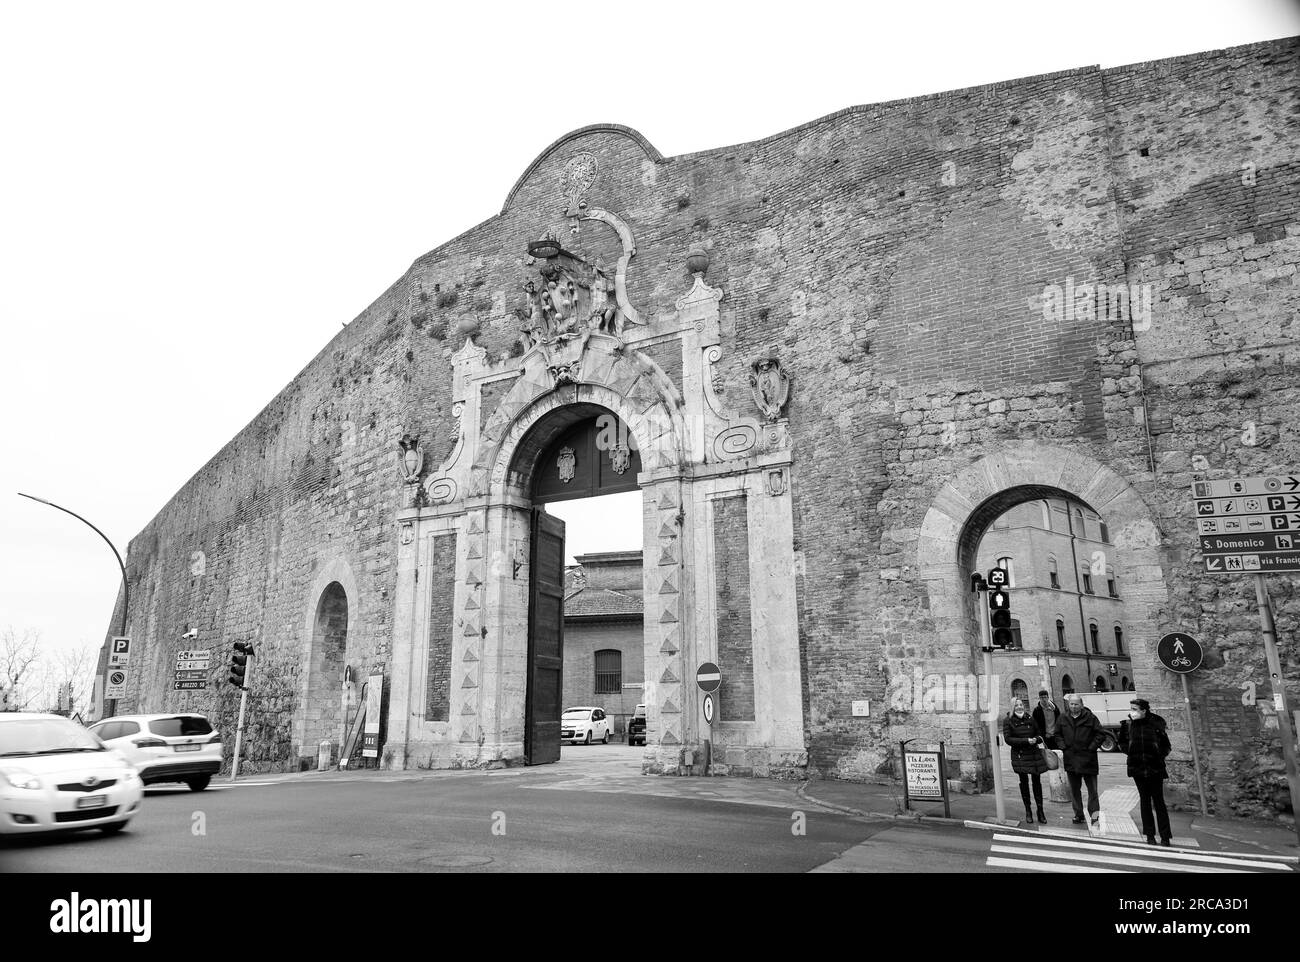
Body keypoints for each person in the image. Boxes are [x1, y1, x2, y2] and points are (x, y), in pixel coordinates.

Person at [1118, 697, 1173, 846]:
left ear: (1144, 710)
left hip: (1155, 767)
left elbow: (1166, 745)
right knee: (1144, 801)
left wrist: (1157, 755)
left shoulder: (1155, 724)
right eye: (1131, 709)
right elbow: (1122, 742)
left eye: (1135, 709)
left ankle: (1165, 835)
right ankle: (1149, 834)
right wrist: (1130, 752)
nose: (1132, 712)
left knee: (1159, 801)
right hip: (1137, 767)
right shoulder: (1128, 725)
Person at [1051, 693, 1107, 825]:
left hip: (1088, 760)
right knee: (1075, 790)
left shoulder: (1090, 718)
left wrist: (1091, 747)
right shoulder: (1063, 718)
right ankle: (1078, 814)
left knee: (1092, 791)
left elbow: (1100, 734)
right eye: (1071, 704)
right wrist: (1063, 747)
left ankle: (1095, 817)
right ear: (1068, 705)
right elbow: (1057, 734)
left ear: (1081, 704)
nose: (1074, 706)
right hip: (1071, 759)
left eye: (1076, 704)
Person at [1003, 696, 1048, 824]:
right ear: (1013, 707)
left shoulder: (1030, 718)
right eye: (1016, 705)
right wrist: (1025, 741)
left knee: (1037, 782)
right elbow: (1008, 739)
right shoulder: (1008, 720)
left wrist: (1036, 739)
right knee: (1024, 783)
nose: (1019, 707)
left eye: (1021, 704)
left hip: (1033, 754)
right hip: (1020, 755)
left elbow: (1040, 734)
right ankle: (1028, 811)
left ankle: (1040, 811)